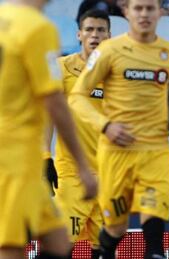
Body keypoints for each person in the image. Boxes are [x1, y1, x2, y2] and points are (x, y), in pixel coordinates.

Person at [68, 0, 169, 258]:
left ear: (160, 12)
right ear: (126, 12)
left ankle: (155, 251)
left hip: (155, 151)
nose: (144, 14)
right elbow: (77, 96)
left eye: (150, 8)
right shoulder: (109, 51)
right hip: (116, 152)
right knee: (115, 227)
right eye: (138, 8)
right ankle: (105, 250)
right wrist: (105, 125)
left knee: (155, 234)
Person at [0, 0, 97, 259]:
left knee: (58, 242)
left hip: (25, 159)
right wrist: (82, 166)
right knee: (11, 247)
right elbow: (54, 103)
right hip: (13, 158)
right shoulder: (38, 28)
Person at [46, 9, 110, 259]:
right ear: (79, 34)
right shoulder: (62, 69)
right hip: (72, 174)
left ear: (109, 35)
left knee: (104, 248)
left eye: (100, 30)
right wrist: (44, 155)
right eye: (90, 29)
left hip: (108, 175)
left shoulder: (117, 74)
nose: (95, 35)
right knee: (61, 247)